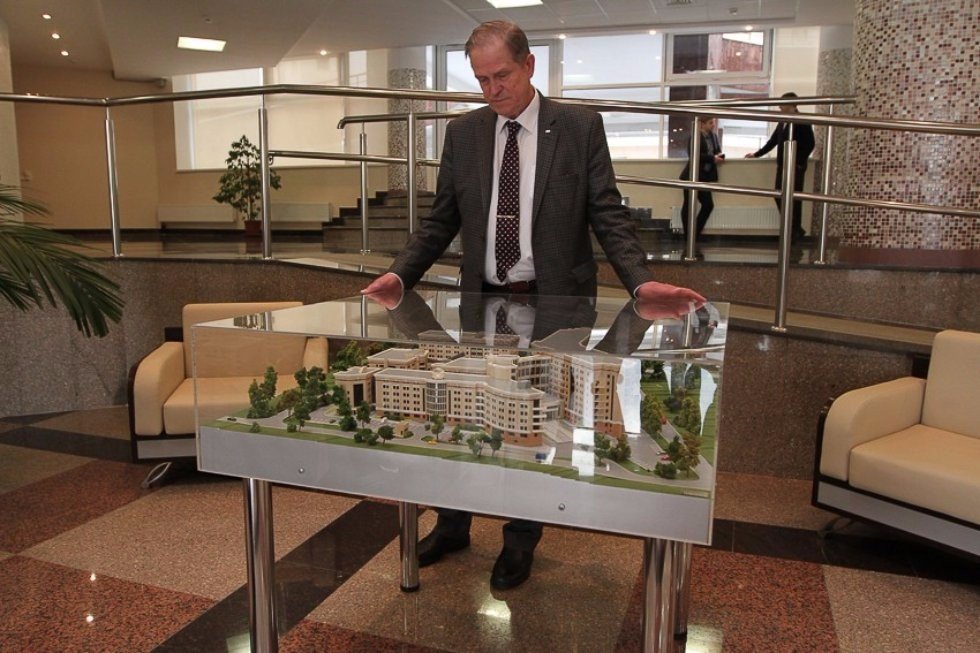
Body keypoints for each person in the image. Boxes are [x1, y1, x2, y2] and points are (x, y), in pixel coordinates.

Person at [361, 20, 705, 591]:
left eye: (501, 76)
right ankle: (452, 522)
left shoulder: (577, 127)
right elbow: (441, 217)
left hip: (553, 307)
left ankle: (520, 539)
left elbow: (607, 212)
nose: (491, 90)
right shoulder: (466, 133)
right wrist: (400, 276)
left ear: (528, 66)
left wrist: (642, 284)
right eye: (481, 79)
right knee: (466, 412)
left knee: (535, 423)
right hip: (481, 305)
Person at [743, 92, 815, 243]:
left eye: (782, 104)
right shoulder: (783, 122)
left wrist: (798, 161)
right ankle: (794, 228)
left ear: (792, 105)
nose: (779, 107)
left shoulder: (802, 121)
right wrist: (757, 154)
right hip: (782, 165)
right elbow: (773, 141)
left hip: (795, 166)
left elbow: (810, 144)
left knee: (794, 199)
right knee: (779, 194)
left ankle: (794, 230)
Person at [679, 117, 725, 242]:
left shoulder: (714, 137)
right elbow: (694, 154)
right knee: (689, 204)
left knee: (708, 205)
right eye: (710, 123)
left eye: (714, 123)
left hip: (704, 176)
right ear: (702, 124)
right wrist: (712, 158)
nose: (713, 125)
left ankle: (694, 233)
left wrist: (719, 156)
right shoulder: (695, 136)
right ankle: (688, 236)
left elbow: (716, 151)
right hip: (691, 175)